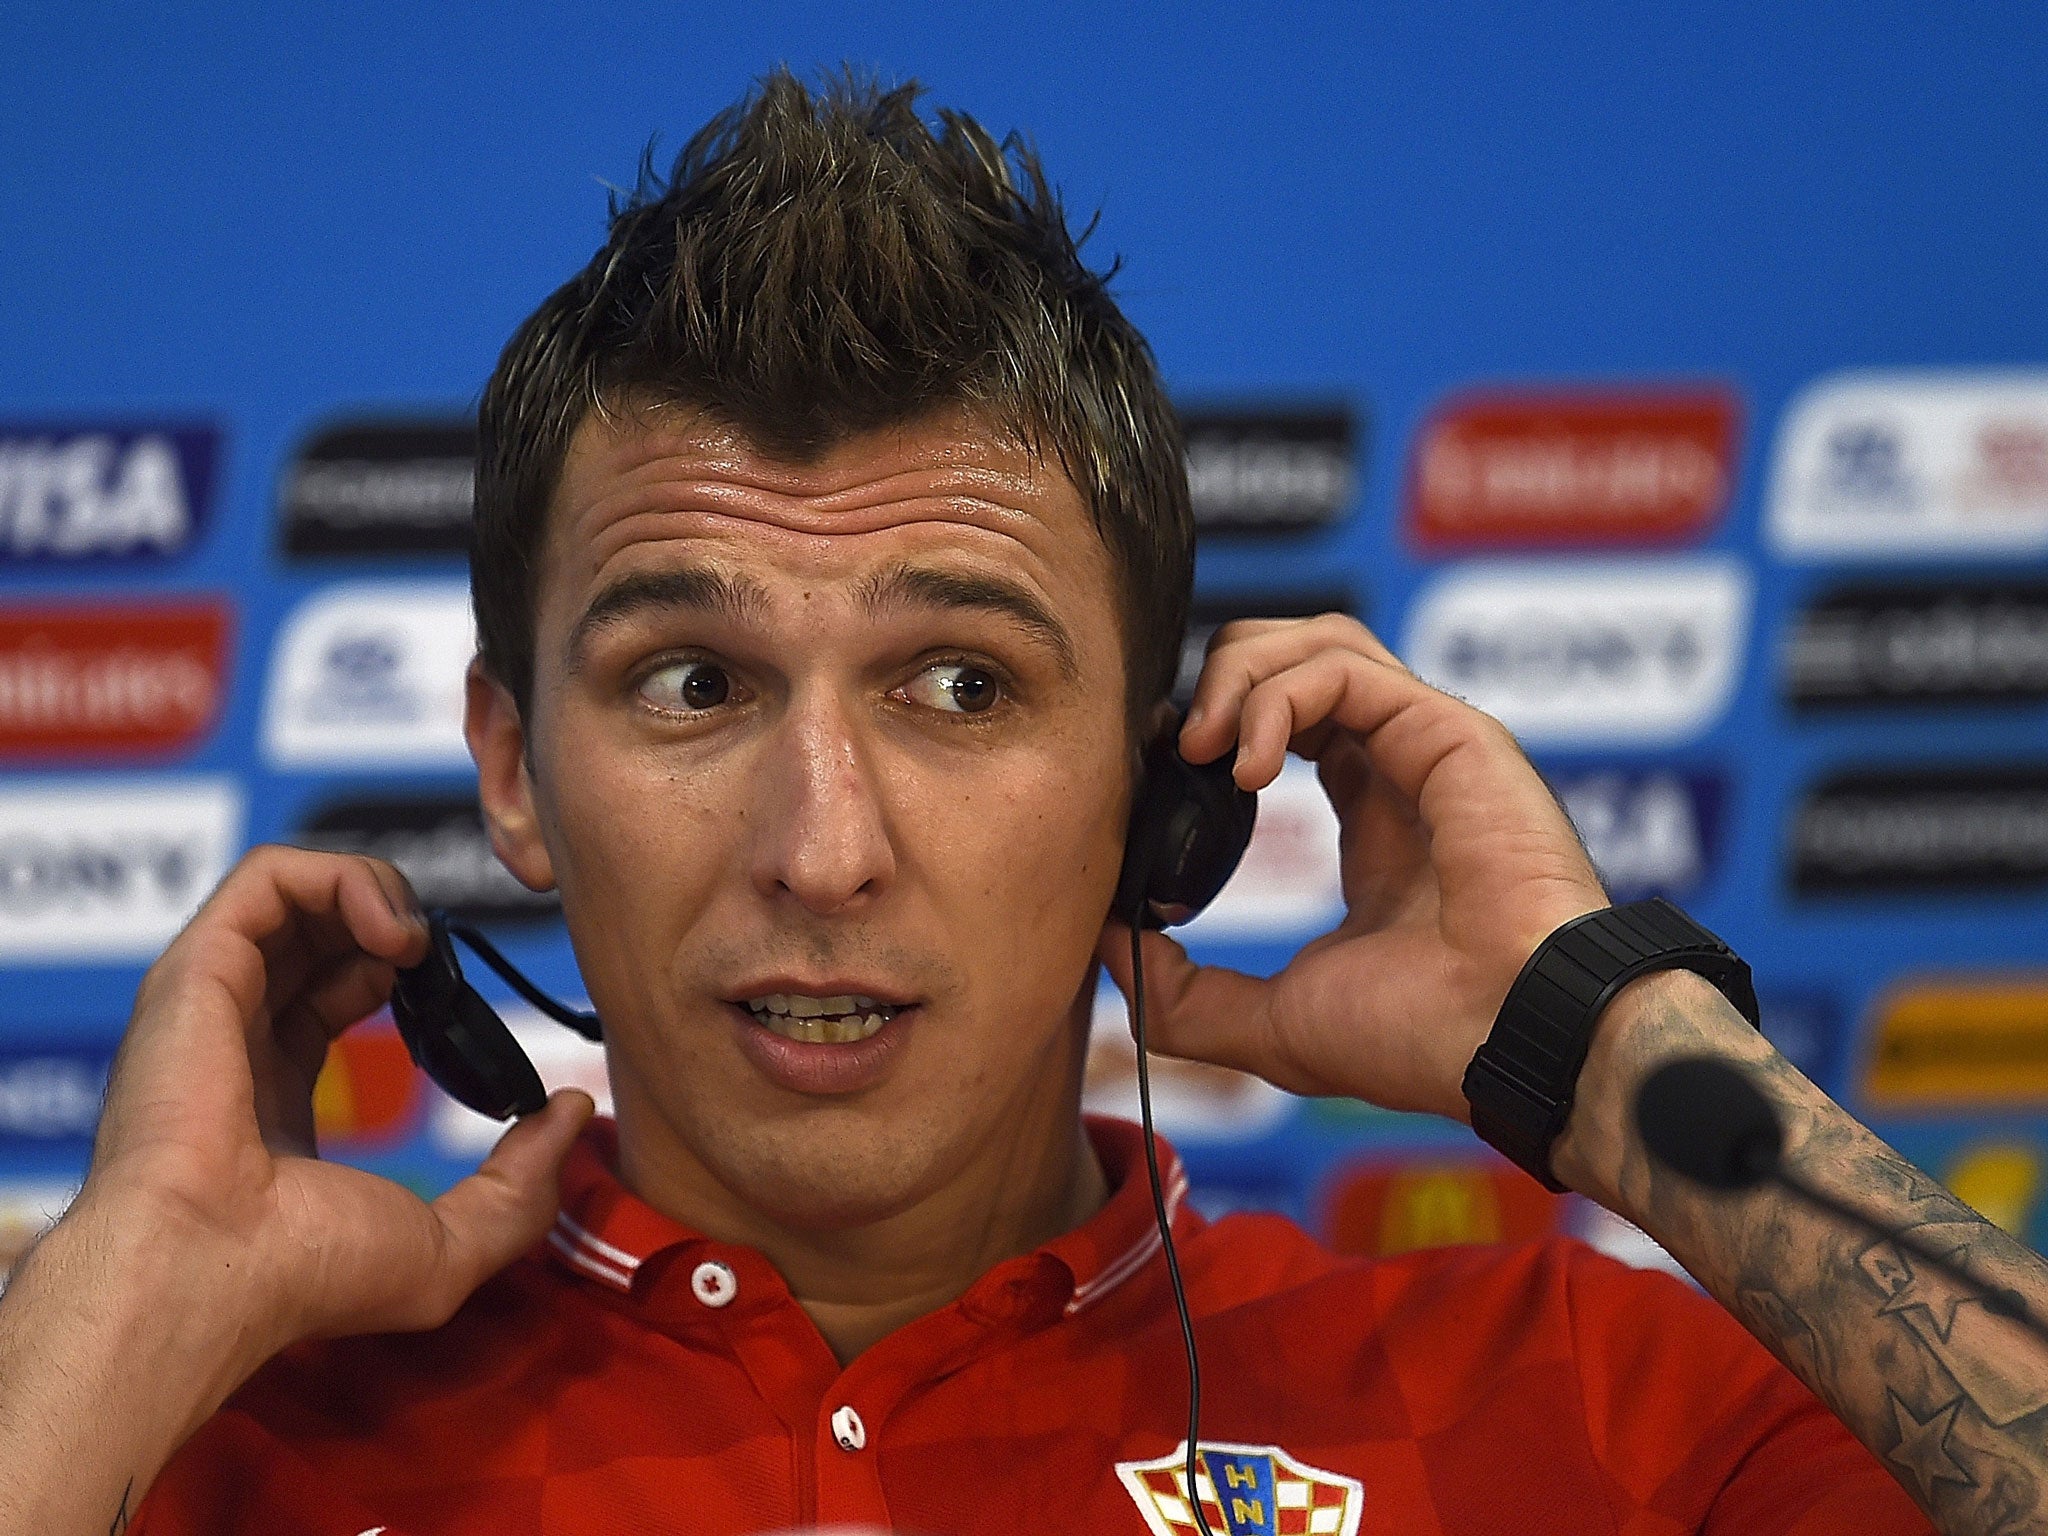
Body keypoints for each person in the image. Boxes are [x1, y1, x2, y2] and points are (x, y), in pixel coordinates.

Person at [0, 70, 2040, 1536]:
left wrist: (1615, 1039)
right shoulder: (165, 1426)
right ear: (517, 772)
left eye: (962, 685)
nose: (823, 847)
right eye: (694, 682)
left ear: (1159, 797)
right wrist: (128, 1293)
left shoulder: (1578, 1410)